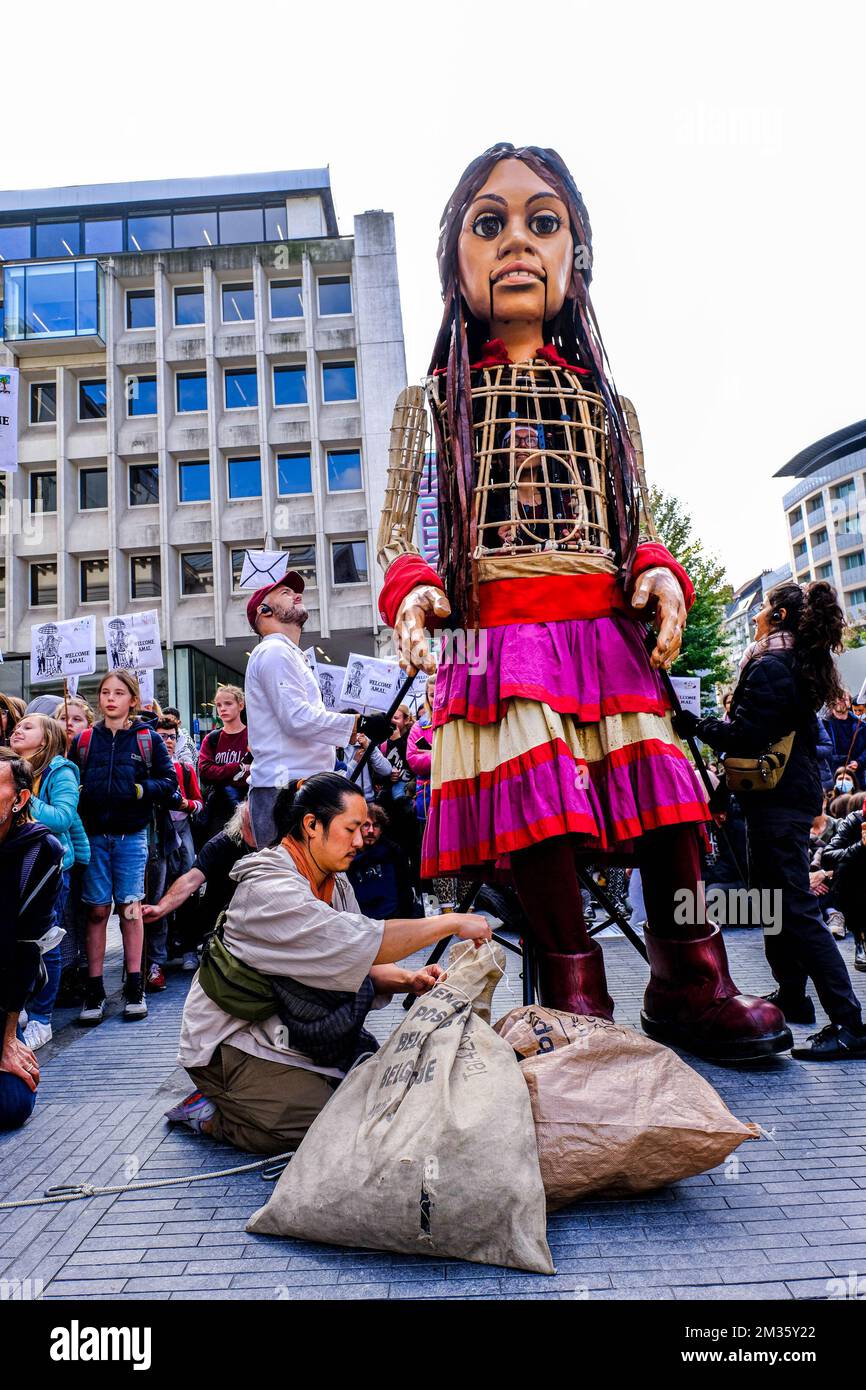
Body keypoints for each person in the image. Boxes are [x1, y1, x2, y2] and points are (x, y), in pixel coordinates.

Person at [374, 142, 788, 1060]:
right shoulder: (430, 405)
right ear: (458, 261)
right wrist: (412, 592)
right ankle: (571, 988)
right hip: (492, 639)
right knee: (540, 807)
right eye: (491, 223)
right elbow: (399, 534)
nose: (517, 240)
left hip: (602, 637)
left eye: (542, 221)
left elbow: (632, 521)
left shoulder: (608, 407)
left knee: (675, 806)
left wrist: (658, 571)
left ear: (575, 255)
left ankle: (693, 975)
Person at [172, 773, 491, 1153]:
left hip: (290, 1028)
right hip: (229, 1043)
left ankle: (258, 1098)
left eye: (364, 829)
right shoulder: (270, 889)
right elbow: (363, 942)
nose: (360, 841)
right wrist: (450, 921)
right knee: (335, 1123)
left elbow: (353, 960)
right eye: (351, 828)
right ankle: (215, 1113)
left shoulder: (335, 881)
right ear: (311, 825)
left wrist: (411, 979)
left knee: (373, 1093)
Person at [676, 581, 866, 1060]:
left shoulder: (770, 665)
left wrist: (694, 725)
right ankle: (794, 996)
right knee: (775, 903)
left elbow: (745, 736)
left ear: (778, 617)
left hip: (777, 803)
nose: (757, 616)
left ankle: (850, 1023)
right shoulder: (795, 664)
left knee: (795, 909)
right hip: (782, 799)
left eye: (762, 609)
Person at [243, 574, 390, 848]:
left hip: (298, 786)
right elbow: (296, 718)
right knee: (290, 884)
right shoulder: (274, 651)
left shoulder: (287, 654)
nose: (298, 596)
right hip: (283, 790)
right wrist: (360, 725)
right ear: (264, 611)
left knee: (310, 884)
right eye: (286, 592)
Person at [69, 670, 177, 1026]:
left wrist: (139, 790)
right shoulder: (85, 740)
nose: (110, 698)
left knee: (131, 908)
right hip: (94, 836)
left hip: (132, 835)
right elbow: (73, 780)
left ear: (132, 699)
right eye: (104, 692)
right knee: (97, 912)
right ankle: (94, 989)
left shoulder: (147, 739)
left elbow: (169, 782)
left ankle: (135, 985)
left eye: (118, 692)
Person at [10, 715, 89, 1048]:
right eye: (18, 725)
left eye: (28, 727)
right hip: (14, 864)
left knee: (46, 942)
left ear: (44, 741)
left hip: (49, 867)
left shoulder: (60, 771)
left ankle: (43, 1019)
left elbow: (62, 818)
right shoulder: (9, 766)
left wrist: (25, 794)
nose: (18, 729)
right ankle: (22, 1008)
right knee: (17, 942)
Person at [0, 750, 63, 1131]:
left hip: (1, 995)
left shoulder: (39, 851)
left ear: (20, 800)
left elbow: (26, 949)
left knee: (11, 1105)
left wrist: (8, 1038)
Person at [143, 801, 257, 967]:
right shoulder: (219, 845)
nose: (257, 830)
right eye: (250, 826)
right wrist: (161, 908)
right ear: (240, 824)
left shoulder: (277, 842)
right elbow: (190, 880)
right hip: (226, 919)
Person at [144, 719, 203, 989]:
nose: (167, 741)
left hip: (182, 830)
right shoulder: (148, 772)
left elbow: (199, 804)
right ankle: (157, 958)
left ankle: (189, 947)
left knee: (188, 889)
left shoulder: (185, 769)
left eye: (171, 737)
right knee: (158, 894)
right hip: (158, 833)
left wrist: (186, 804)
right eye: (162, 737)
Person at [197, 685, 250, 840]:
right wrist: (239, 768)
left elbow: (258, 771)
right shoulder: (212, 738)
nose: (222, 709)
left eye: (228, 704)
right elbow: (205, 772)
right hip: (218, 810)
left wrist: (220, 772)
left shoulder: (253, 736)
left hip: (246, 807)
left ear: (241, 705)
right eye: (219, 705)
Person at [348, 802, 417, 918]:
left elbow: (404, 889)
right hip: (362, 921)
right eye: (366, 825)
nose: (370, 830)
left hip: (393, 918)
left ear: (381, 829)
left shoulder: (393, 851)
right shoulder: (349, 854)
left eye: (375, 826)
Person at [821, 807, 866, 973]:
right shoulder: (855, 820)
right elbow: (828, 855)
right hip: (858, 889)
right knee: (848, 867)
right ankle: (860, 938)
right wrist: (860, 846)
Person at [407, 675, 436, 826]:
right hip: (427, 794)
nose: (436, 698)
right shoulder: (418, 727)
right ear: (426, 696)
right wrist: (441, 756)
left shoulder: (457, 723)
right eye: (432, 695)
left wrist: (431, 754)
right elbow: (414, 761)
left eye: (440, 692)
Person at [822, 692, 866, 777]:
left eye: (844, 699)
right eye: (837, 699)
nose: (840, 701)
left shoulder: (862, 726)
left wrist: (859, 762)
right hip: (829, 778)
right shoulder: (822, 724)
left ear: (850, 703)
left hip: (856, 779)